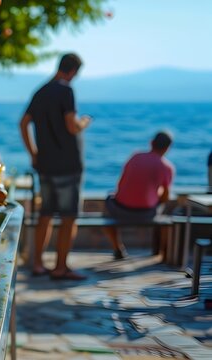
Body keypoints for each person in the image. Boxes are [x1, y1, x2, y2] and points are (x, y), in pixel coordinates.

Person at [19, 53, 91, 280]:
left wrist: (33, 153)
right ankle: (61, 267)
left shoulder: (41, 91)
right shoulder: (66, 91)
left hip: (45, 164)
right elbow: (71, 125)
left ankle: (38, 264)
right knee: (69, 217)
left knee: (46, 214)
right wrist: (84, 123)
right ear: (73, 71)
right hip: (68, 164)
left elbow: (23, 123)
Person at [103, 131, 175, 259]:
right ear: (167, 148)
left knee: (108, 200)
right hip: (147, 214)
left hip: (121, 210)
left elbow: (121, 185)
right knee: (166, 214)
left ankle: (117, 247)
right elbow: (165, 198)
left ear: (151, 143)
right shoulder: (167, 167)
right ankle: (164, 254)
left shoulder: (135, 157)